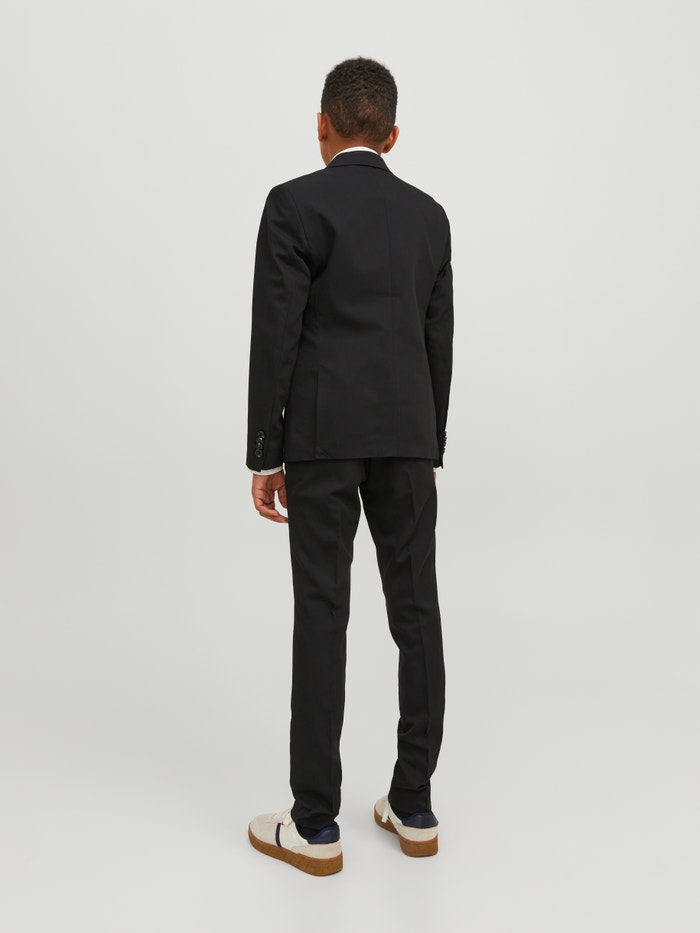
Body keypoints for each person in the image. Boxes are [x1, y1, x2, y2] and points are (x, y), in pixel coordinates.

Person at [245, 57, 454, 876]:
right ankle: (415, 805)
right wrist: (428, 440)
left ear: (322, 125)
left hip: (322, 438)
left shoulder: (294, 204)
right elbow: (438, 338)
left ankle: (315, 824)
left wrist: (266, 450)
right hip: (407, 437)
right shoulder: (429, 217)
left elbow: (277, 333)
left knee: (322, 613)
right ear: (392, 135)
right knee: (418, 612)